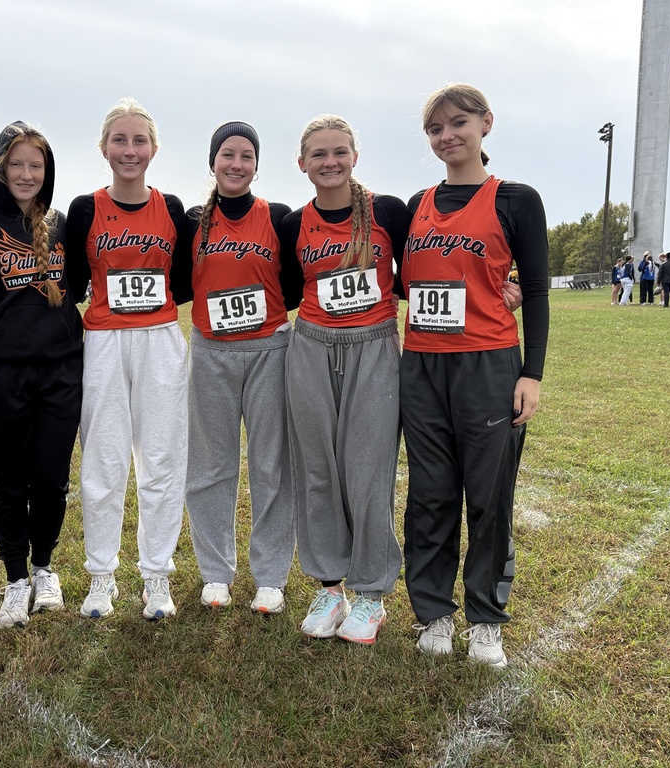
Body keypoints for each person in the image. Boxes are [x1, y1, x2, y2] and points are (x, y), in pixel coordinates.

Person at [401, 83, 549, 669]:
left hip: (488, 365)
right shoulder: (415, 202)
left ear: (486, 124)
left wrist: (530, 374)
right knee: (431, 494)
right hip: (422, 367)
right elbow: (399, 283)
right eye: (435, 129)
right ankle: (434, 614)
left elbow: (534, 291)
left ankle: (486, 621)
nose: (447, 136)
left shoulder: (515, 199)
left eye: (458, 123)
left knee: (489, 498)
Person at [277, 115, 408, 645]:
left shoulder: (389, 212)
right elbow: (285, 288)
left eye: (339, 152)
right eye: (318, 154)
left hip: (373, 347)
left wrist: (505, 285)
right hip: (309, 347)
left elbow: (423, 268)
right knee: (318, 469)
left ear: (354, 156)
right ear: (302, 162)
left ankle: (371, 594)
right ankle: (330, 586)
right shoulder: (292, 224)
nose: (329, 162)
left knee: (368, 471)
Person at [0, 122, 83, 629]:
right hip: (5, 380)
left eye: (36, 165)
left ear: (47, 172)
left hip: (63, 375)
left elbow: (79, 289)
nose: (26, 174)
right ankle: (15, 580)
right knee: (10, 485)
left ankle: (44, 567)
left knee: (51, 480)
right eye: (17, 164)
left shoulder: (63, 224)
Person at [64, 98, 192, 620]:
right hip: (104, 344)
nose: (130, 150)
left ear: (154, 149)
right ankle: (101, 576)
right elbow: (72, 280)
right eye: (120, 139)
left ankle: (156, 575)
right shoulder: (85, 208)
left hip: (160, 339)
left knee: (161, 460)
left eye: (140, 140)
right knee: (104, 462)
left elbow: (182, 282)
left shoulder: (173, 208)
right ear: (104, 148)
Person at [184, 121, 299, 614]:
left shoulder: (277, 216)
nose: (236, 164)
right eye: (227, 154)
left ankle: (270, 575)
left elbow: (295, 283)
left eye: (246, 156)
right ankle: (215, 572)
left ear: (256, 165)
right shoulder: (192, 220)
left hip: (269, 350)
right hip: (211, 352)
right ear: (213, 162)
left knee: (272, 464)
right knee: (211, 464)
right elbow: (176, 283)